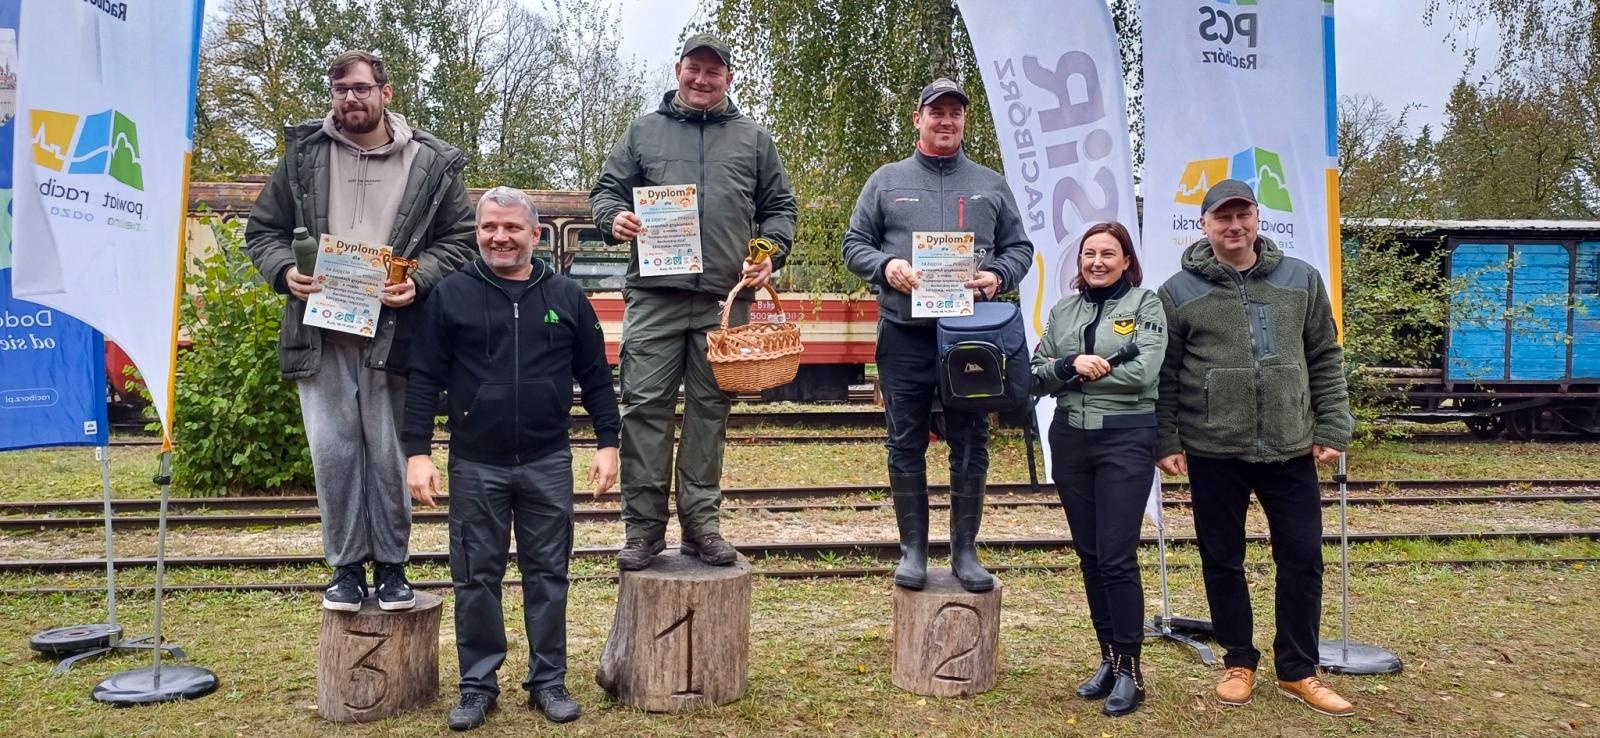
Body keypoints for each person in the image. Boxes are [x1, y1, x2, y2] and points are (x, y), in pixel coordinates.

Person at [245, 49, 475, 612]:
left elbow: (461, 240)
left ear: (386, 93)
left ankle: (394, 568)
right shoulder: (302, 155)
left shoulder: (432, 162)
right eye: (340, 89)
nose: (351, 98)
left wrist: (420, 279)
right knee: (334, 454)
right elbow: (263, 232)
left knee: (391, 454)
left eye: (361, 88)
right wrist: (284, 271)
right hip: (320, 333)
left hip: (396, 333)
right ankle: (346, 569)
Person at [402, 187, 621, 730]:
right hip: (476, 463)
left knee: (549, 575)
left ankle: (548, 682)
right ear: (478, 233)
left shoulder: (568, 296)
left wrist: (609, 443)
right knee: (476, 577)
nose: (500, 237)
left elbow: (596, 378)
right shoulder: (449, 295)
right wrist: (416, 453)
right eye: (489, 228)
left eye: (512, 228)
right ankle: (478, 686)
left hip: (547, 460)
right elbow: (424, 379)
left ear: (535, 234)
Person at [590, 33, 797, 570]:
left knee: (710, 413)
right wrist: (613, 219)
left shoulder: (754, 139)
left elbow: (780, 208)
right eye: (694, 69)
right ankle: (643, 531)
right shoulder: (642, 132)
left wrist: (770, 251)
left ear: (729, 78)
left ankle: (702, 525)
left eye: (714, 71)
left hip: (723, 303)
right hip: (655, 295)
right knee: (644, 411)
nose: (702, 80)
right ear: (678, 69)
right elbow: (605, 192)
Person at [1155, 179, 1355, 716]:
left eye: (1243, 215)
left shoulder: (1301, 280)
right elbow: (1166, 376)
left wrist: (1333, 425)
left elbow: (1324, 358)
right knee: (1222, 560)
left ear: (1257, 218)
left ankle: (1298, 670)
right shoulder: (1177, 292)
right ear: (1204, 225)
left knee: (1303, 558)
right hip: (1212, 449)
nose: (1234, 226)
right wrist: (1167, 438)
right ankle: (1238, 661)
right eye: (1223, 218)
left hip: (1290, 448)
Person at [841, 78, 1034, 593]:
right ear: (917, 119)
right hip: (905, 334)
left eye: (955, 113)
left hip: (972, 337)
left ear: (963, 121)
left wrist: (998, 276)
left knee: (971, 441)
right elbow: (854, 245)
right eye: (936, 112)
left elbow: (1020, 249)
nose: (945, 121)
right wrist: (887, 265)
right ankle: (913, 551)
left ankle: (965, 552)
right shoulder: (886, 180)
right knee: (905, 441)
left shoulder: (990, 184)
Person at [1031, 221, 1164, 716]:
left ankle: (1132, 670)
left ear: (1126, 260)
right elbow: (1035, 373)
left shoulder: (1146, 305)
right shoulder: (1063, 310)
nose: (1098, 261)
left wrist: (1081, 373)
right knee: (1090, 556)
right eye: (1090, 253)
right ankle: (1107, 658)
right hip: (1069, 439)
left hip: (1125, 439)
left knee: (1116, 557)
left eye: (1109, 253)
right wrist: (1071, 366)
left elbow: (1143, 371)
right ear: (1080, 261)